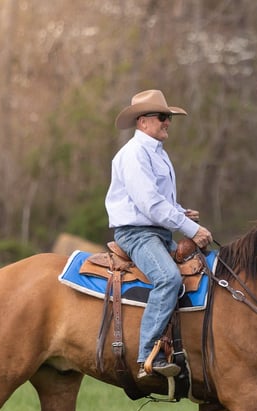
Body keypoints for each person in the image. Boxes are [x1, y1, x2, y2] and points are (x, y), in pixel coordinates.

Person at [105, 89, 213, 379]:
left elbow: (159, 201)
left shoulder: (156, 153)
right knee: (168, 278)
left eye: (169, 118)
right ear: (143, 121)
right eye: (163, 117)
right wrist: (192, 229)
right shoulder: (134, 155)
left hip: (156, 232)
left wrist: (180, 212)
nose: (167, 122)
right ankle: (147, 357)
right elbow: (150, 205)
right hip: (138, 235)